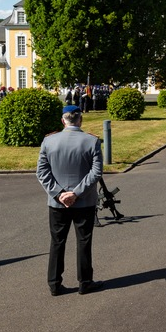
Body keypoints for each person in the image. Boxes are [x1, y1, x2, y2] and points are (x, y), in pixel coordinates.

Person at [37, 104, 104, 297]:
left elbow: (41, 172)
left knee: (57, 242)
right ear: (80, 120)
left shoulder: (49, 141)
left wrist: (59, 193)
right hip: (84, 201)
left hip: (57, 203)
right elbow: (96, 172)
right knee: (84, 241)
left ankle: (54, 284)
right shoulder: (91, 141)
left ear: (62, 120)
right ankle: (85, 282)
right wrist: (76, 193)